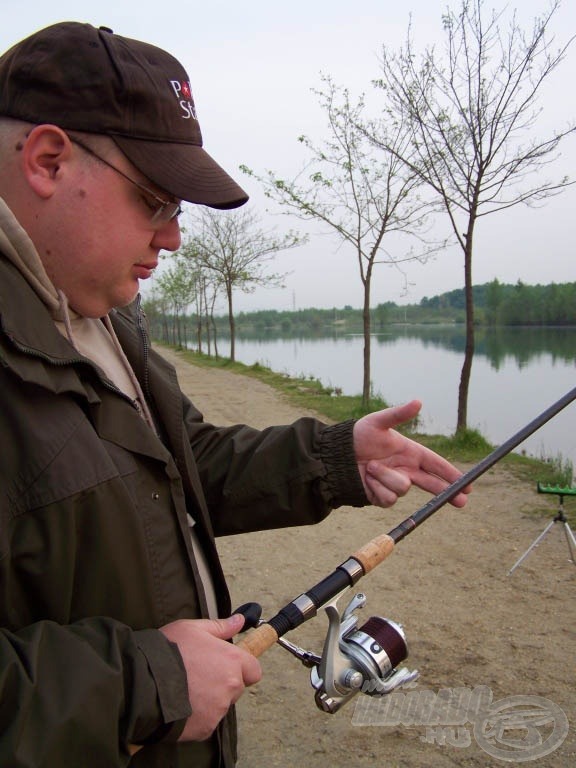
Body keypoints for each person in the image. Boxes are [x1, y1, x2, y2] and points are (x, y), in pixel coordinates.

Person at [0, 21, 470, 768]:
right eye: (156, 200)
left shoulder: (102, 316)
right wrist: (144, 684)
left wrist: (335, 457)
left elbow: (188, 466)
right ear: (49, 160)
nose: (176, 237)